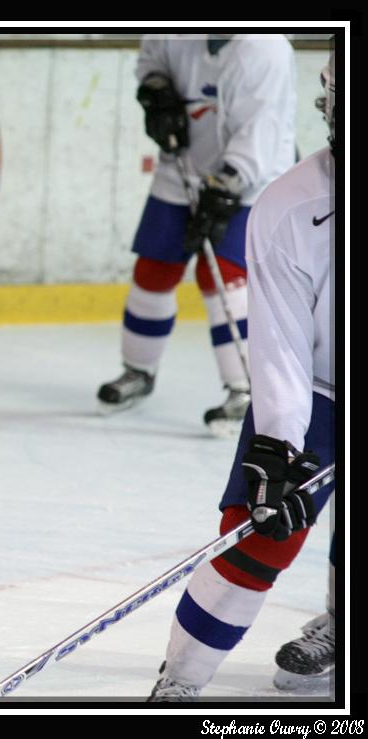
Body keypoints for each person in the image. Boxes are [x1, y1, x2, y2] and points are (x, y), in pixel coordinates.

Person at [148, 50, 337, 701]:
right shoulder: (290, 205)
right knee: (261, 530)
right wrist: (278, 445)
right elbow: (281, 342)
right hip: (320, 388)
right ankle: (179, 681)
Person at [98, 34, 297, 436]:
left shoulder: (265, 48)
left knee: (222, 273)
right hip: (182, 167)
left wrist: (227, 182)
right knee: (154, 269)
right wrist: (155, 89)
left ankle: (245, 387)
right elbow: (152, 58)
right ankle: (138, 370)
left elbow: (263, 128)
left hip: (253, 177)